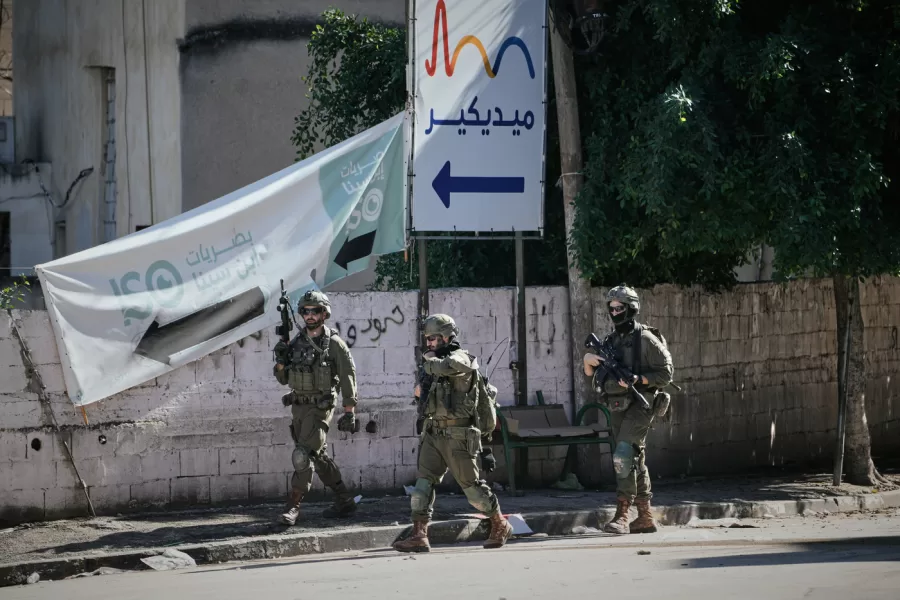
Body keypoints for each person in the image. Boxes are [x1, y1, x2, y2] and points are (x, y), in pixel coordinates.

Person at [393, 314, 512, 553]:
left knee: (472, 489)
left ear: (448, 336)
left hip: (458, 434)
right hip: (434, 432)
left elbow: (450, 367)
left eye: (434, 338)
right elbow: (423, 390)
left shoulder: (462, 358)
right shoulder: (433, 361)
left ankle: (499, 523)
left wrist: (428, 361)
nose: (430, 343)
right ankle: (419, 535)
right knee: (422, 486)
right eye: (427, 339)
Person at [583, 285, 674, 535]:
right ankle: (645, 515)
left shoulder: (645, 338)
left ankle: (622, 514)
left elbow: (666, 373)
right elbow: (596, 378)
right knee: (635, 458)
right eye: (611, 308)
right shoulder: (610, 342)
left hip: (641, 404)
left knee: (622, 454)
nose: (614, 312)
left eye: (619, 308)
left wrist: (638, 379)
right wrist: (589, 364)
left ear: (631, 309)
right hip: (617, 404)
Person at [272, 289, 359, 525]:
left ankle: (293, 506)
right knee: (318, 456)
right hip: (299, 408)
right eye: (306, 311)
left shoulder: (334, 344)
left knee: (302, 456)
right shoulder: (296, 343)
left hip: (321, 408)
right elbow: (282, 379)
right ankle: (344, 500)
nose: (310, 316)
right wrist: (280, 360)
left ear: (324, 313)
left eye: (315, 311)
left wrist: (349, 410)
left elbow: (348, 375)